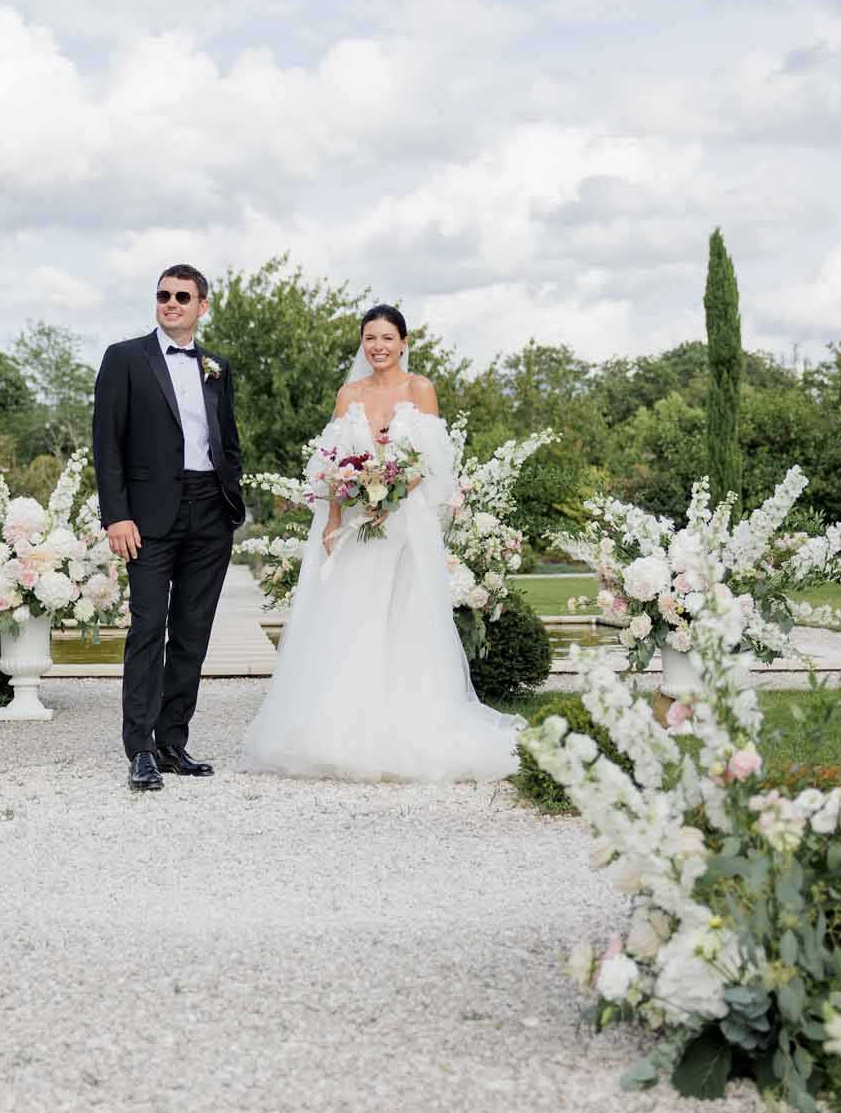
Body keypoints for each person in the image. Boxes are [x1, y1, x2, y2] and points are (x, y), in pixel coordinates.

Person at [242, 303, 522, 784]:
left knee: (406, 616)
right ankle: (341, 728)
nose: (378, 347)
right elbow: (329, 463)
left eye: (387, 338)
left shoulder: (421, 390)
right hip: (354, 524)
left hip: (405, 522)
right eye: (370, 338)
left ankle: (409, 724)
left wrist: (388, 497)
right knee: (353, 616)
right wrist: (334, 518)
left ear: (404, 342)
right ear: (362, 342)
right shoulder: (348, 394)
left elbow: (431, 461)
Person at [92, 265, 245, 792]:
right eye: (163, 295)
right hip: (149, 517)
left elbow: (227, 440)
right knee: (146, 629)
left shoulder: (216, 366)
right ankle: (140, 751)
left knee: (192, 635)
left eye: (183, 296)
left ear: (203, 305)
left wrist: (232, 499)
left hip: (209, 512)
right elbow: (106, 443)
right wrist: (116, 514)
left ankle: (173, 742)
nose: (171, 303)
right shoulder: (125, 358)